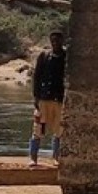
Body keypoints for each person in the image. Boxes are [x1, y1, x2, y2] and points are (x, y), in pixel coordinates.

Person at [30, 31, 67, 166]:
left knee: (59, 131)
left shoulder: (67, 58)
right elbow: (37, 76)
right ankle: (33, 158)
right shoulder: (44, 56)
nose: (55, 43)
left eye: (57, 40)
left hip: (59, 99)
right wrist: (36, 97)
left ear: (62, 41)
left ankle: (56, 157)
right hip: (44, 98)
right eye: (53, 40)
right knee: (38, 129)